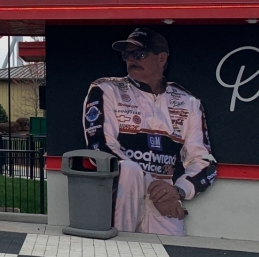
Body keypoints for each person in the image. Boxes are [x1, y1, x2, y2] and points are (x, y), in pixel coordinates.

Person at [82, 27, 217, 236]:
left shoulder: (188, 102)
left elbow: (204, 162)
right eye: (127, 55)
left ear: (162, 59)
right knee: (129, 170)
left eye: (140, 54)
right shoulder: (106, 89)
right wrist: (151, 184)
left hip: (162, 196)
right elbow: (101, 147)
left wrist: (177, 190)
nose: (130, 60)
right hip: (122, 191)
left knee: (171, 255)